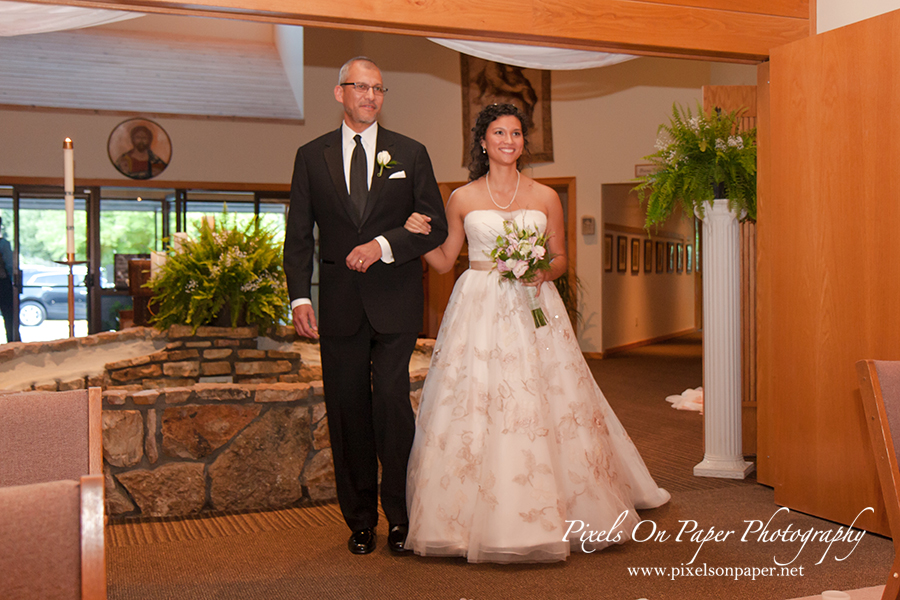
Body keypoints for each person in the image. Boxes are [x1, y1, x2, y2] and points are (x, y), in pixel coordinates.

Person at [402, 103, 670, 563]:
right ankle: (466, 518)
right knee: (478, 401)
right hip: (479, 309)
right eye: (499, 132)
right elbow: (446, 261)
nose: (509, 140)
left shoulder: (546, 196)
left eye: (517, 133)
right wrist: (416, 237)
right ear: (482, 142)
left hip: (534, 307)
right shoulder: (462, 198)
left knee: (547, 398)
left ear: (524, 142)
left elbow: (561, 258)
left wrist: (542, 272)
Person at [283, 57, 448, 556]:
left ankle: (400, 517)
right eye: (361, 87)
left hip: (395, 303)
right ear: (340, 93)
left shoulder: (410, 153)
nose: (371, 96)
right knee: (347, 412)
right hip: (337, 307)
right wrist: (298, 296)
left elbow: (434, 225)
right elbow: (298, 237)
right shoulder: (310, 156)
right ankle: (359, 521)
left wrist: (383, 244)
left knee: (393, 409)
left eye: (379, 88)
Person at [0, 218, 13, 343]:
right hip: (3, 283)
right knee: (9, 317)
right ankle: (12, 341)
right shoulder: (3, 244)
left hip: (3, 282)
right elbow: (10, 265)